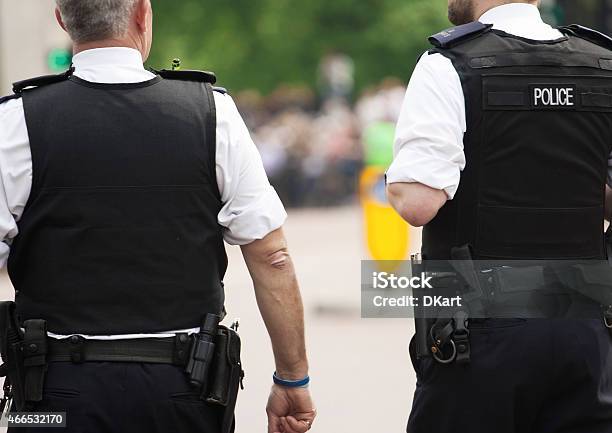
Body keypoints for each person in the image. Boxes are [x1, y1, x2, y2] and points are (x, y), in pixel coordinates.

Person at [0, 1, 316, 432]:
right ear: (142, 14)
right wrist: (292, 378)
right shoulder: (212, 113)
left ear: (62, 21)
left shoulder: (15, 122)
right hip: (184, 387)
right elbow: (272, 256)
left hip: (51, 395)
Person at [386, 1, 612, 432]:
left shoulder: (449, 64)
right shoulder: (603, 63)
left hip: (479, 331)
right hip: (586, 330)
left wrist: (395, 182)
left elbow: (417, 203)